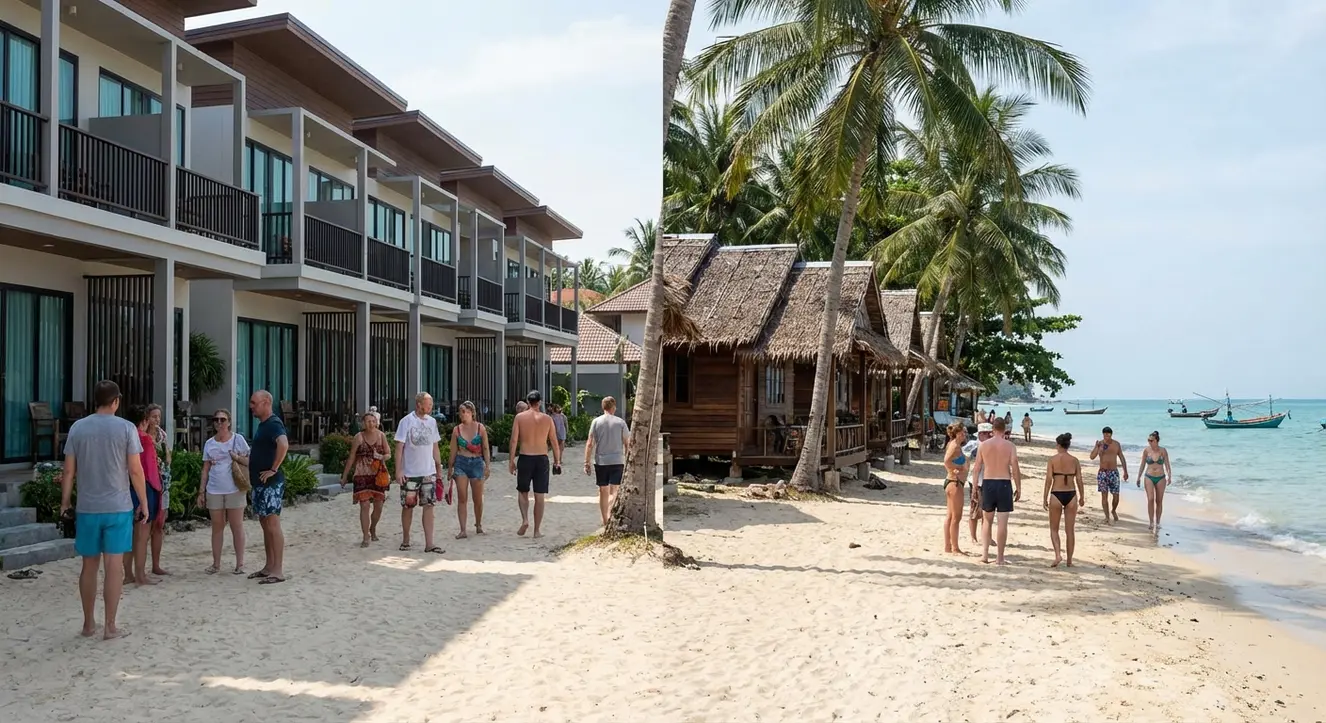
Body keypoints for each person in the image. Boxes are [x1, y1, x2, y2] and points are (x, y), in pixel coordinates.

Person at [59, 380, 147, 640]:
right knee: (113, 566)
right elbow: (134, 470)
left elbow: (68, 471)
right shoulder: (126, 428)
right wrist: (143, 501)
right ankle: (110, 626)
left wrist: (65, 503)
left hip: (87, 506)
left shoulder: (78, 428)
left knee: (88, 566)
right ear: (116, 401)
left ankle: (88, 624)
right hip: (118, 506)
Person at [198, 409, 249, 574]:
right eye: (216, 420)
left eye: (222, 419)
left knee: (237, 525)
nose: (219, 423)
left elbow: (249, 460)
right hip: (214, 489)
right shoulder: (209, 444)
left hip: (234, 488)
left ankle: (240, 564)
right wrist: (201, 491)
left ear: (229, 422)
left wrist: (236, 457)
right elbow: (205, 469)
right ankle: (216, 564)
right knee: (217, 527)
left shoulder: (238, 439)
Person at [247, 390, 289, 584]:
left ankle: (278, 570)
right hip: (260, 483)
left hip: (271, 483)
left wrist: (273, 468)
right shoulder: (264, 425)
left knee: (272, 524)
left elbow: (284, 444)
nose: (251, 406)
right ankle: (269, 566)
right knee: (265, 524)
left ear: (266, 403)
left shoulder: (273, 423)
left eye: (254, 403)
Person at [396, 392, 445, 553]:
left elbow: (435, 446)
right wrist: (399, 470)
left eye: (431, 404)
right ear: (418, 404)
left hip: (428, 471)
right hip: (410, 472)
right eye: (428, 404)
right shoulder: (406, 422)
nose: (431, 407)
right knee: (408, 506)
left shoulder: (432, 422)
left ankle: (429, 543)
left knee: (429, 505)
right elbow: (399, 447)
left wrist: (438, 468)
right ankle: (406, 539)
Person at [969, 417, 1022, 565]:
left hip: (988, 483)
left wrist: (974, 487)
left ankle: (985, 555)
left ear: (993, 430)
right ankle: (1000, 557)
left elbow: (976, 468)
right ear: (1005, 429)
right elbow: (1015, 468)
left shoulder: (984, 445)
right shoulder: (1010, 446)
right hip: (1004, 483)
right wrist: (1018, 487)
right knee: (1002, 523)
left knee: (987, 521)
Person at [508, 390, 560, 538]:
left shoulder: (520, 417)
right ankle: (537, 531)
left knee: (523, 491)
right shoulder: (547, 419)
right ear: (540, 402)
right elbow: (554, 442)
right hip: (542, 459)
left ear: (528, 402)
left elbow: (513, 440)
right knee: (539, 496)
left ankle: (525, 519)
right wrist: (557, 461)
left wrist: (511, 460)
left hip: (525, 457)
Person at [123, 405, 165, 587]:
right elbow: (149, 470)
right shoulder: (145, 439)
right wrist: (157, 491)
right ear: (145, 420)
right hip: (144, 487)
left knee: (130, 534)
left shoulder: (124, 437)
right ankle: (140, 575)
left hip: (126, 487)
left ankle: (128, 574)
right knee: (142, 535)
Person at [341, 409, 391, 548]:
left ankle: (373, 527)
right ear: (363, 423)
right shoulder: (358, 437)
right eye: (368, 421)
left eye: (373, 421)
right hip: (361, 474)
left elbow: (388, 453)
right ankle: (365, 536)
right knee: (364, 505)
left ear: (376, 422)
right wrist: (345, 476)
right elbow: (351, 457)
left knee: (378, 506)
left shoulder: (381, 436)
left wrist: (381, 457)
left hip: (378, 474)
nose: (371, 423)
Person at [584, 396, 630, 528]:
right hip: (617, 460)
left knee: (603, 490)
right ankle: (610, 513)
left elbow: (590, 443)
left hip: (601, 461)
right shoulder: (620, 422)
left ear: (603, 407)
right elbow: (627, 443)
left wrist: (586, 462)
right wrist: (626, 458)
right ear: (614, 407)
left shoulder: (596, 422)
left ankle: (604, 519)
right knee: (615, 489)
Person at [448, 401, 490, 539]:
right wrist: (450, 467)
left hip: (477, 462)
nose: (463, 415)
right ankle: (463, 529)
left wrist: (487, 466)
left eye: (465, 412)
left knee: (477, 498)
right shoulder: (457, 430)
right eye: (461, 412)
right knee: (462, 497)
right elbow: (453, 450)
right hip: (461, 462)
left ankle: (478, 524)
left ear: (472, 413)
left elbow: (485, 448)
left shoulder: (480, 428)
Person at [1043, 432, 1085, 568]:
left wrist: (1044, 497)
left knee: (1054, 529)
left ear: (1059, 445)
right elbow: (1079, 479)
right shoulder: (1074, 460)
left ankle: (1057, 555)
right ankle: (1069, 561)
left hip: (1056, 494)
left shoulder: (1052, 460)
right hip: (1071, 494)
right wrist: (1082, 496)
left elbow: (1049, 480)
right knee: (1070, 530)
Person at [145, 403, 172, 576]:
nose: (157, 420)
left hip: (163, 481)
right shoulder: (142, 436)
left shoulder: (162, 435)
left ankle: (156, 564)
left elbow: (168, 456)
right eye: (154, 416)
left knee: (159, 525)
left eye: (159, 417)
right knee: (144, 526)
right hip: (147, 482)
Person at [1089, 426, 1129, 524]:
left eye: (1108, 434)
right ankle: (1107, 517)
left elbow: (1122, 457)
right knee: (1104, 496)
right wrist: (1096, 447)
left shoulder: (1116, 444)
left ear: (1111, 434)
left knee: (1116, 496)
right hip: (1103, 472)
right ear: (1103, 434)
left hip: (1113, 472)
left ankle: (1113, 510)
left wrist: (1125, 471)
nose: (1106, 435)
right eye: (1104, 434)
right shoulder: (1100, 444)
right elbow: (1092, 457)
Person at [941, 421, 969, 555]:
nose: (964, 434)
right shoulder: (954, 446)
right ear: (957, 433)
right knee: (956, 517)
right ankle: (955, 548)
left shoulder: (953, 444)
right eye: (962, 432)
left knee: (950, 516)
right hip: (955, 482)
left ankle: (948, 546)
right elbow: (946, 461)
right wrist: (955, 469)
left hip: (952, 481)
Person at [1138, 431, 1172, 532]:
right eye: (1148, 440)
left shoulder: (1163, 451)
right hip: (1149, 476)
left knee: (1159, 501)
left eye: (1151, 440)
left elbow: (1167, 465)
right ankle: (1151, 522)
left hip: (1161, 477)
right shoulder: (1146, 451)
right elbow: (1142, 464)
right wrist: (1138, 477)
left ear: (1156, 441)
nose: (1149, 442)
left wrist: (1169, 476)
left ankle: (1158, 522)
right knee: (1150, 499)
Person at [965, 423, 992, 545]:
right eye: (987, 433)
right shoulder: (973, 445)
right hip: (976, 480)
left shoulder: (992, 445)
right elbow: (963, 459)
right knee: (975, 509)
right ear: (981, 434)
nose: (989, 435)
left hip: (989, 480)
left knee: (988, 511)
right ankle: (973, 537)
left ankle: (987, 536)